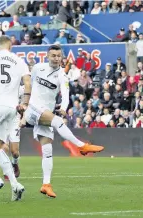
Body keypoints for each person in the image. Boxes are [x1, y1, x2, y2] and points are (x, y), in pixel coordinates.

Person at [23, 45, 104, 198]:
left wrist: (64, 107)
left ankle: (46, 184)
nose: (56, 58)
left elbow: (65, 95)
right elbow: (29, 85)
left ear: (62, 57)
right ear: (47, 56)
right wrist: (24, 103)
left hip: (45, 112)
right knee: (57, 121)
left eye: (58, 56)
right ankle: (82, 146)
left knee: (47, 151)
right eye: (53, 55)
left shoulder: (62, 75)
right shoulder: (37, 68)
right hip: (33, 108)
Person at [0, 35, 31, 201]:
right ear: (10, 46)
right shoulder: (19, 61)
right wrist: (25, 102)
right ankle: (16, 185)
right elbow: (27, 83)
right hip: (11, 109)